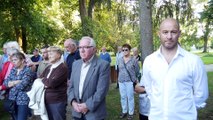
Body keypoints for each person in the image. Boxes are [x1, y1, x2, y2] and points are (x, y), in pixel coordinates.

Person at [142, 18, 209, 120]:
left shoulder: (194, 61)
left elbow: (201, 94)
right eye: (165, 32)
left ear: (179, 33)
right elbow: (149, 89)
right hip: (156, 117)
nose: (169, 36)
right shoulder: (149, 61)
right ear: (158, 33)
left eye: (173, 32)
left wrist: (184, 109)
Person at [68, 36, 110, 120]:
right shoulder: (75, 64)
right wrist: (73, 102)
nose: (82, 50)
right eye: (80, 47)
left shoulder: (103, 65)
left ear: (94, 49)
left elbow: (101, 91)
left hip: (94, 114)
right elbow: (71, 87)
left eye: (86, 47)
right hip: (77, 112)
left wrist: (87, 105)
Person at [39, 46, 68, 120]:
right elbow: (39, 78)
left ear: (58, 55)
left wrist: (44, 80)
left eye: (51, 53)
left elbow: (52, 83)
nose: (49, 55)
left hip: (57, 101)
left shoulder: (62, 68)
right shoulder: (48, 67)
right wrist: (45, 81)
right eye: (48, 53)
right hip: (45, 100)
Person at [3, 52, 34, 120]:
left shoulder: (27, 71)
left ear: (22, 60)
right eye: (12, 60)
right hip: (12, 99)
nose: (13, 62)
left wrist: (11, 83)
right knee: (14, 118)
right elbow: (5, 83)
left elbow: (22, 86)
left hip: (23, 100)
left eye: (15, 60)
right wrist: (16, 82)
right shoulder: (13, 70)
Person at [118, 44, 140, 120]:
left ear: (129, 50)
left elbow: (137, 70)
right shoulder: (120, 59)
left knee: (130, 97)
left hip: (130, 81)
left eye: (126, 50)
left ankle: (131, 113)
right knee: (123, 97)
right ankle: (124, 111)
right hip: (121, 81)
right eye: (123, 50)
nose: (124, 51)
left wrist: (134, 78)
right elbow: (119, 69)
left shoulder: (133, 60)